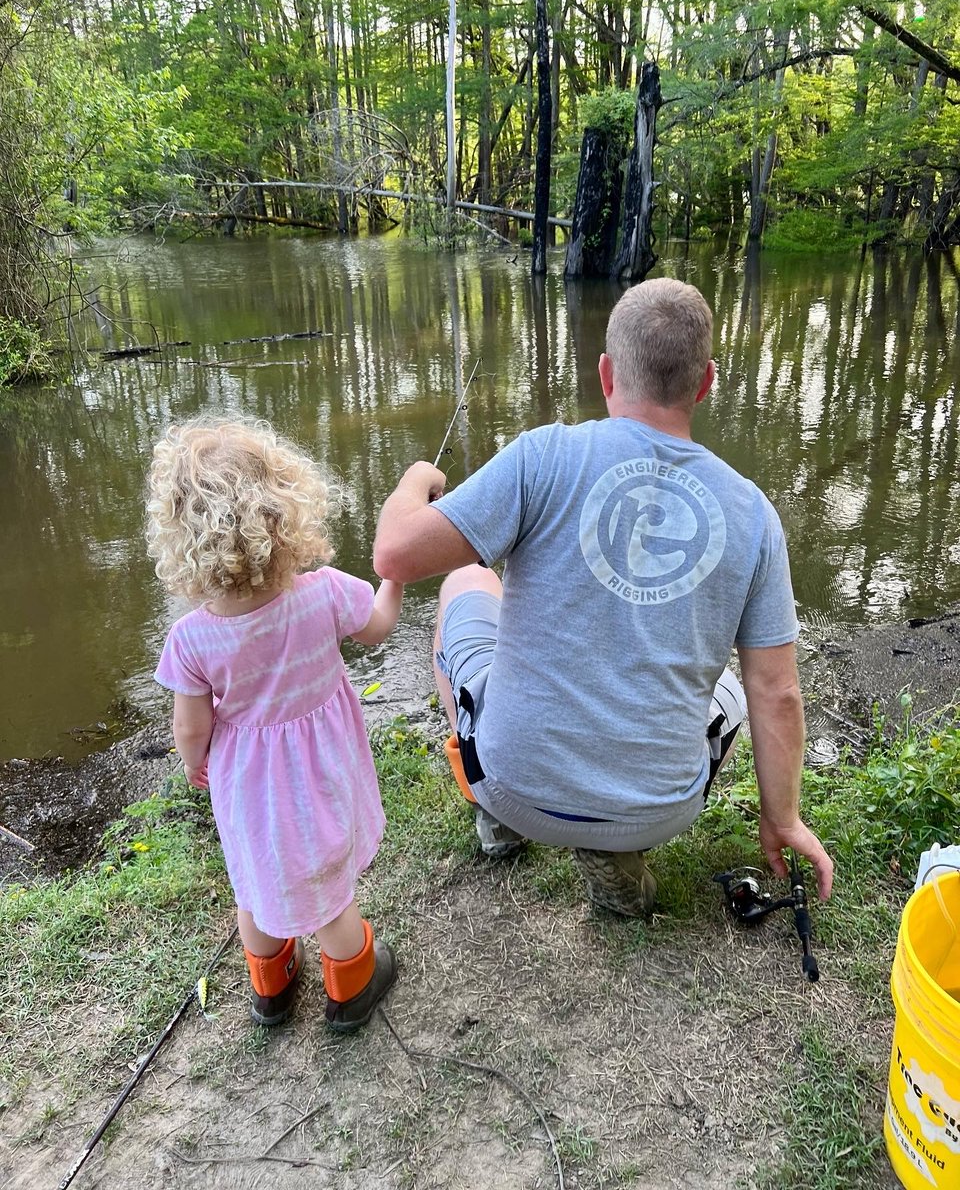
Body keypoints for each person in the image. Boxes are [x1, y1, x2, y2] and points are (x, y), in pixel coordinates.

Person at [373, 277, 833, 915]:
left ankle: (497, 816)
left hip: (513, 783)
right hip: (656, 812)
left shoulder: (543, 456)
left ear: (607, 373)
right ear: (705, 384)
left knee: (464, 582)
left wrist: (415, 478)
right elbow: (777, 693)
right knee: (732, 684)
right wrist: (782, 820)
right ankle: (614, 844)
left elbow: (393, 553)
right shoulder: (754, 514)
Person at [147, 416, 401, 1029]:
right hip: (324, 770)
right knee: (330, 893)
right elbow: (378, 626)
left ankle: (273, 987)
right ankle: (351, 988)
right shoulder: (326, 593)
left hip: (249, 787)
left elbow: (190, 729)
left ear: (183, 538)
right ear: (286, 512)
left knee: (255, 882)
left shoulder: (192, 640)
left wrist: (193, 765)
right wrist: (392, 576)